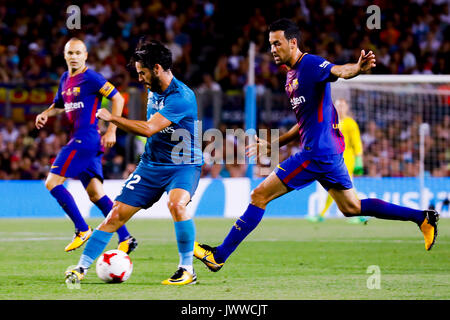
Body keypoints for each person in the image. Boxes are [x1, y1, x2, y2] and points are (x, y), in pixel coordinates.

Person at [194, 18, 439, 273]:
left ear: (292, 42)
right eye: (270, 44)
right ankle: (422, 218)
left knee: (259, 196)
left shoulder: (310, 64)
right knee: (351, 207)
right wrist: (273, 144)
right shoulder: (291, 78)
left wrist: (356, 68)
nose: (273, 49)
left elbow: (339, 71)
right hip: (329, 154)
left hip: (316, 153)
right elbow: (303, 124)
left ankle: (219, 256)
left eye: (277, 43)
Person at [65, 39, 203, 286]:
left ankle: (186, 269)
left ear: (158, 68)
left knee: (176, 204)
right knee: (115, 215)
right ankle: (80, 268)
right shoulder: (153, 87)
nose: (140, 78)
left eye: (143, 72)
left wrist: (113, 119)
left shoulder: (181, 97)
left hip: (183, 164)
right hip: (151, 164)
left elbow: (149, 128)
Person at [35, 38, 137, 254]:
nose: (74, 57)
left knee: (52, 182)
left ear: (86, 55)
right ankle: (126, 237)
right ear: (64, 55)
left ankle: (82, 229)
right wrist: (45, 113)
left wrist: (112, 129)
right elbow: (59, 106)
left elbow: (118, 98)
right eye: (70, 53)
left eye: (78, 53)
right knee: (96, 194)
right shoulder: (65, 79)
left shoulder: (91, 78)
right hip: (84, 141)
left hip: (85, 139)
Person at [307, 98, 368, 224]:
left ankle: (360, 214)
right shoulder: (330, 121)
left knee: (345, 186)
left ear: (347, 108)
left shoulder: (350, 123)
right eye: (337, 106)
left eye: (342, 106)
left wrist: (359, 159)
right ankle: (323, 215)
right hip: (333, 157)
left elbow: (356, 142)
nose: (340, 108)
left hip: (347, 158)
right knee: (335, 186)